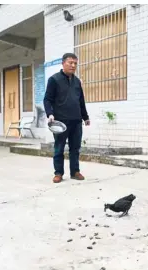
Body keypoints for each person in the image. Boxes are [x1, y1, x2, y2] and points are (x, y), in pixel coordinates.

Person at [44, 53, 90, 183]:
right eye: (70, 63)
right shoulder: (54, 80)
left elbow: (81, 100)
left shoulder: (77, 81)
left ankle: (75, 172)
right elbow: (47, 99)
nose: (73, 65)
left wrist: (85, 117)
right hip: (61, 122)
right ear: (63, 63)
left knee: (75, 148)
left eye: (75, 63)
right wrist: (50, 114)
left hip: (76, 121)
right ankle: (58, 173)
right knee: (59, 148)